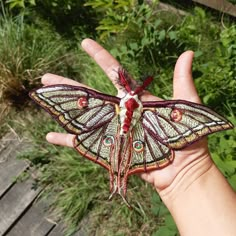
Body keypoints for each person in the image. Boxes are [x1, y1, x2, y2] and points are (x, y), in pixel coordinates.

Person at [41, 39, 236, 236]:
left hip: (135, 135)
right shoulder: (135, 108)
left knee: (118, 162)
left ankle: (118, 182)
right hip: (121, 131)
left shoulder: (137, 108)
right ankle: (118, 182)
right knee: (118, 163)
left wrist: (192, 169)